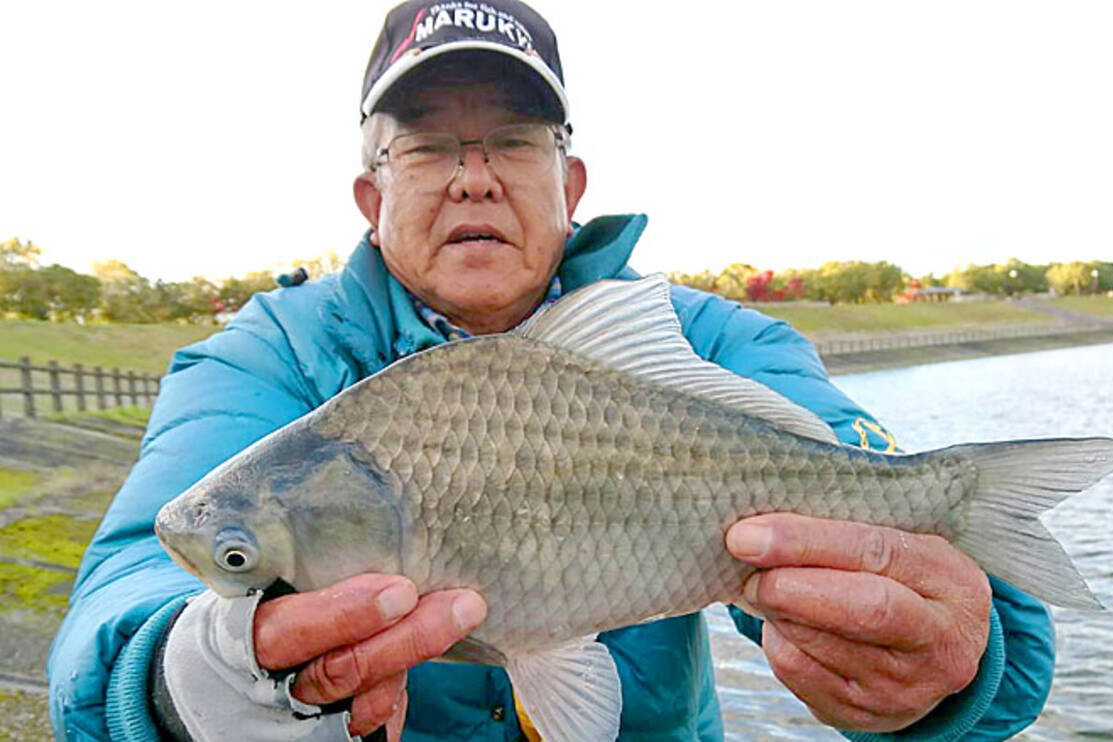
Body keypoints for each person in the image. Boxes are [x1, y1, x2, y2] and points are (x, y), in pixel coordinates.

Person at [48, 2, 1055, 740]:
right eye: (431, 145)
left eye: (514, 142)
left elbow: (930, 567)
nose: (475, 174)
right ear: (370, 195)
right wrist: (177, 681)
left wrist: (951, 661)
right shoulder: (268, 355)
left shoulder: (709, 342)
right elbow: (127, 584)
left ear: (570, 183)